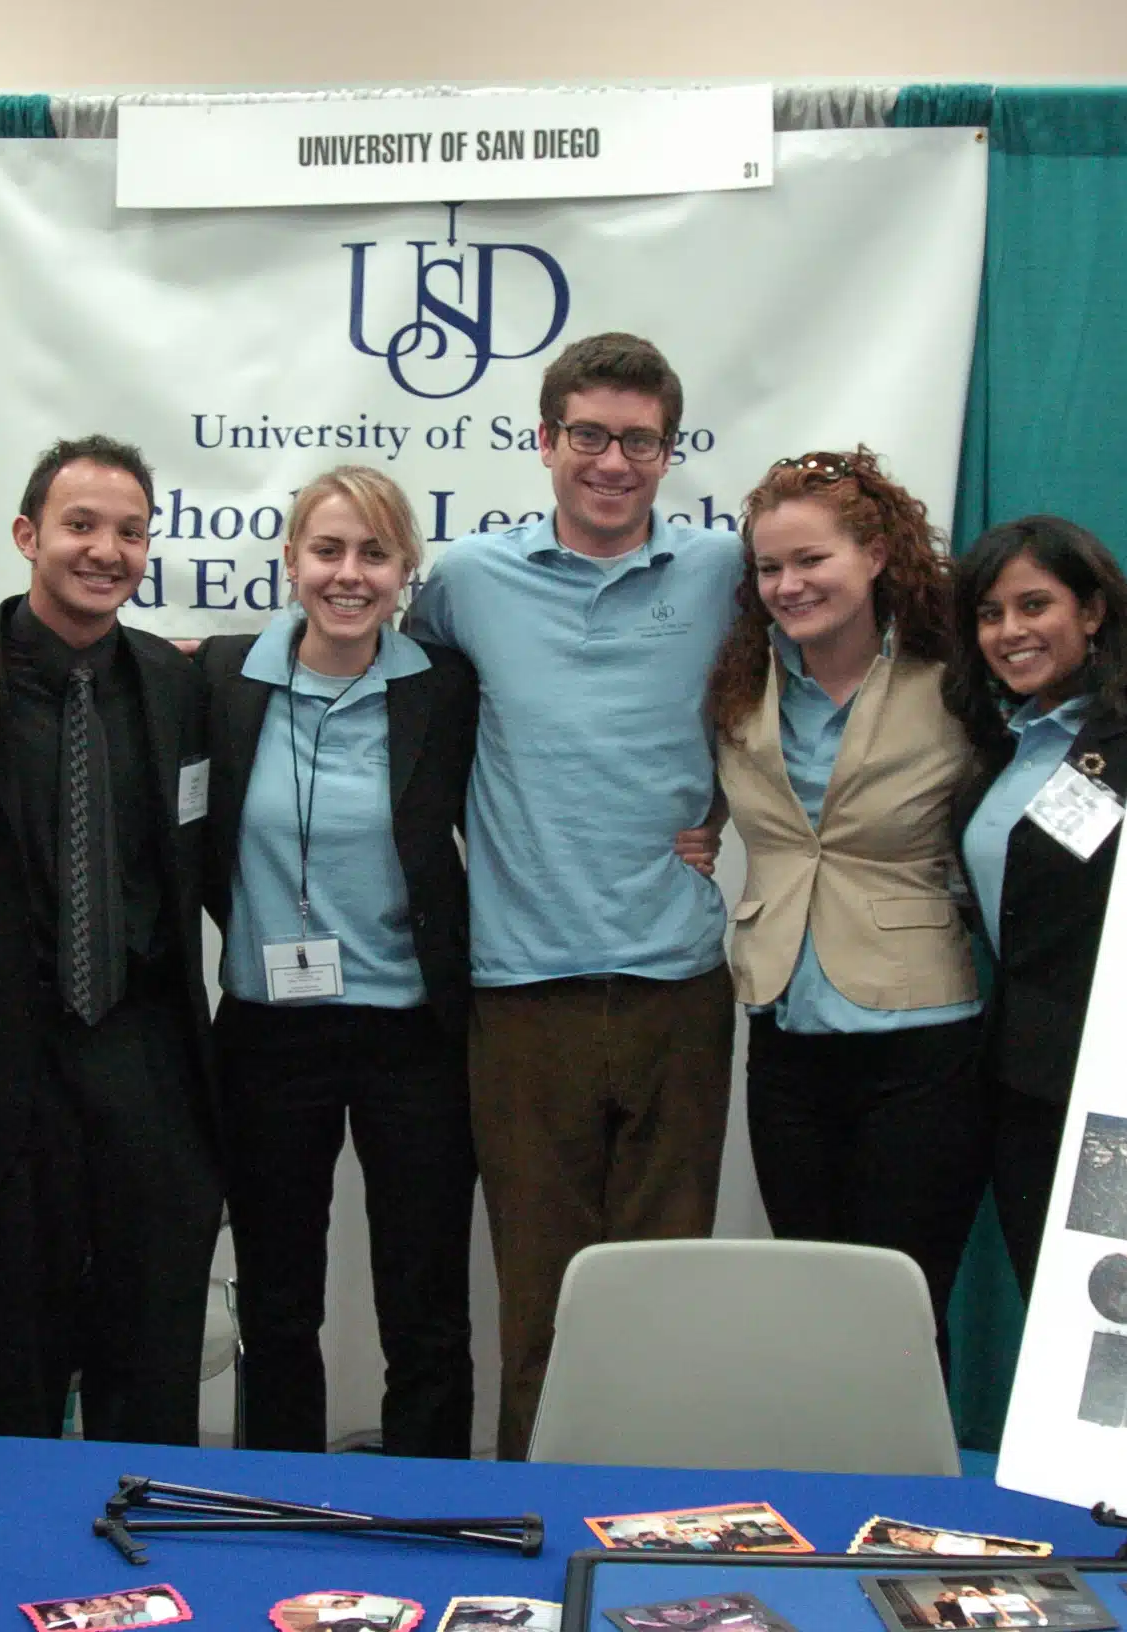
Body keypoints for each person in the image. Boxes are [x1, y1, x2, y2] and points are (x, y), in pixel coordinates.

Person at [404, 333, 742, 1458]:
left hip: (678, 992)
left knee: (660, 1301)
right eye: (588, 435)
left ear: (668, 451)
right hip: (522, 995)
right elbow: (406, 725)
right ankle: (540, 1536)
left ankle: (657, 1529)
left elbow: (785, 711)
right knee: (538, 1304)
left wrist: (728, 818)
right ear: (544, 442)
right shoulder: (463, 582)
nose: (612, 461)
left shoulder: (721, 574)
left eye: (638, 440)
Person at [0, 435, 222, 1446]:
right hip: (6, 1065)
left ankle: (149, 1586)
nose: (106, 550)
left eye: (129, 532)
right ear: (25, 535)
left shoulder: (177, 687)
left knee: (154, 1364)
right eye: (81, 525)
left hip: (147, 1060)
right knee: (15, 1368)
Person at [198, 466, 480, 1458]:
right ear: (290, 561)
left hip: (413, 1030)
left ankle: (433, 1499)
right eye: (327, 550)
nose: (348, 574)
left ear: (406, 569)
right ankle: (282, 1500)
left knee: (425, 1300)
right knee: (278, 1297)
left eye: (373, 552)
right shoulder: (222, 681)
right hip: (270, 1033)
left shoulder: (445, 690)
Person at [706, 448, 985, 1357]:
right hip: (785, 1030)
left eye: (811, 560)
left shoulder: (955, 675)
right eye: (771, 568)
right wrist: (696, 829)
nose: (789, 585)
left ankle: (912, 1497)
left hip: (922, 1034)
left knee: (902, 1311)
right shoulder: (744, 681)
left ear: (874, 555)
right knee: (813, 1304)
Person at [944, 515, 1127, 1296]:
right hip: (1021, 1085)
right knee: (1045, 1305)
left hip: (1120, 1091)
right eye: (990, 615)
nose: (1010, 632)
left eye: (1034, 606)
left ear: (1091, 612)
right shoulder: (999, 749)